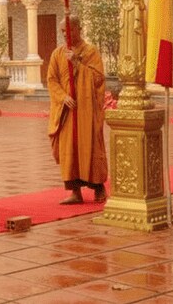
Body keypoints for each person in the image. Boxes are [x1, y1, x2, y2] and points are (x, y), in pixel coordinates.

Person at [46, 16, 108, 204]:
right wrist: (62, 97)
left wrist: (78, 64)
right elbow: (52, 80)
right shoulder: (58, 54)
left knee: (90, 146)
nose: (66, 34)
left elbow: (98, 78)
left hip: (86, 109)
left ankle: (98, 188)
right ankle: (75, 191)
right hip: (67, 110)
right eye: (62, 31)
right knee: (68, 149)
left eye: (69, 30)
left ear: (78, 29)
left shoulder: (90, 51)